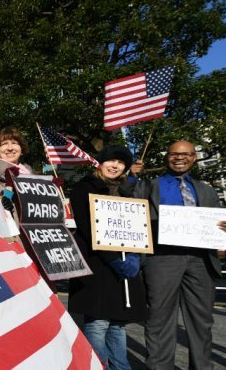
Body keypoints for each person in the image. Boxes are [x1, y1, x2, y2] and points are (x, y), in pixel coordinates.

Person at [131, 141, 226, 369]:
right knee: (159, 319)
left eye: (186, 154)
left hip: (201, 260)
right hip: (162, 259)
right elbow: (125, 200)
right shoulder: (148, 186)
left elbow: (217, 222)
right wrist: (131, 176)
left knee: (202, 321)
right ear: (167, 157)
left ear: (194, 157)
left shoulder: (206, 190)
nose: (180, 158)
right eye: (174, 154)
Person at [68, 145, 147, 369]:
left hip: (122, 264)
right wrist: (113, 260)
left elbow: (136, 227)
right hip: (97, 264)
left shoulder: (127, 191)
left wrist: (134, 255)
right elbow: (87, 228)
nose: (115, 166)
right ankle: (99, 365)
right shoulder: (84, 187)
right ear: (101, 163)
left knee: (117, 325)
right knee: (97, 323)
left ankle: (121, 367)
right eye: (111, 161)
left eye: (121, 163)